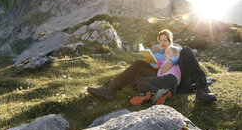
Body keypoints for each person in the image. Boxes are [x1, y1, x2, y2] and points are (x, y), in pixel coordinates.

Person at [87, 29, 217, 103]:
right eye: (160, 41)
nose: (162, 43)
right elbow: (156, 67)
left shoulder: (177, 49)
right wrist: (150, 63)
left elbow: (185, 58)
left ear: (170, 41)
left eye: (165, 40)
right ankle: (110, 89)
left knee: (187, 50)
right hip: (161, 76)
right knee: (139, 63)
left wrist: (173, 60)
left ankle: (202, 89)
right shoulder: (159, 54)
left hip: (178, 78)